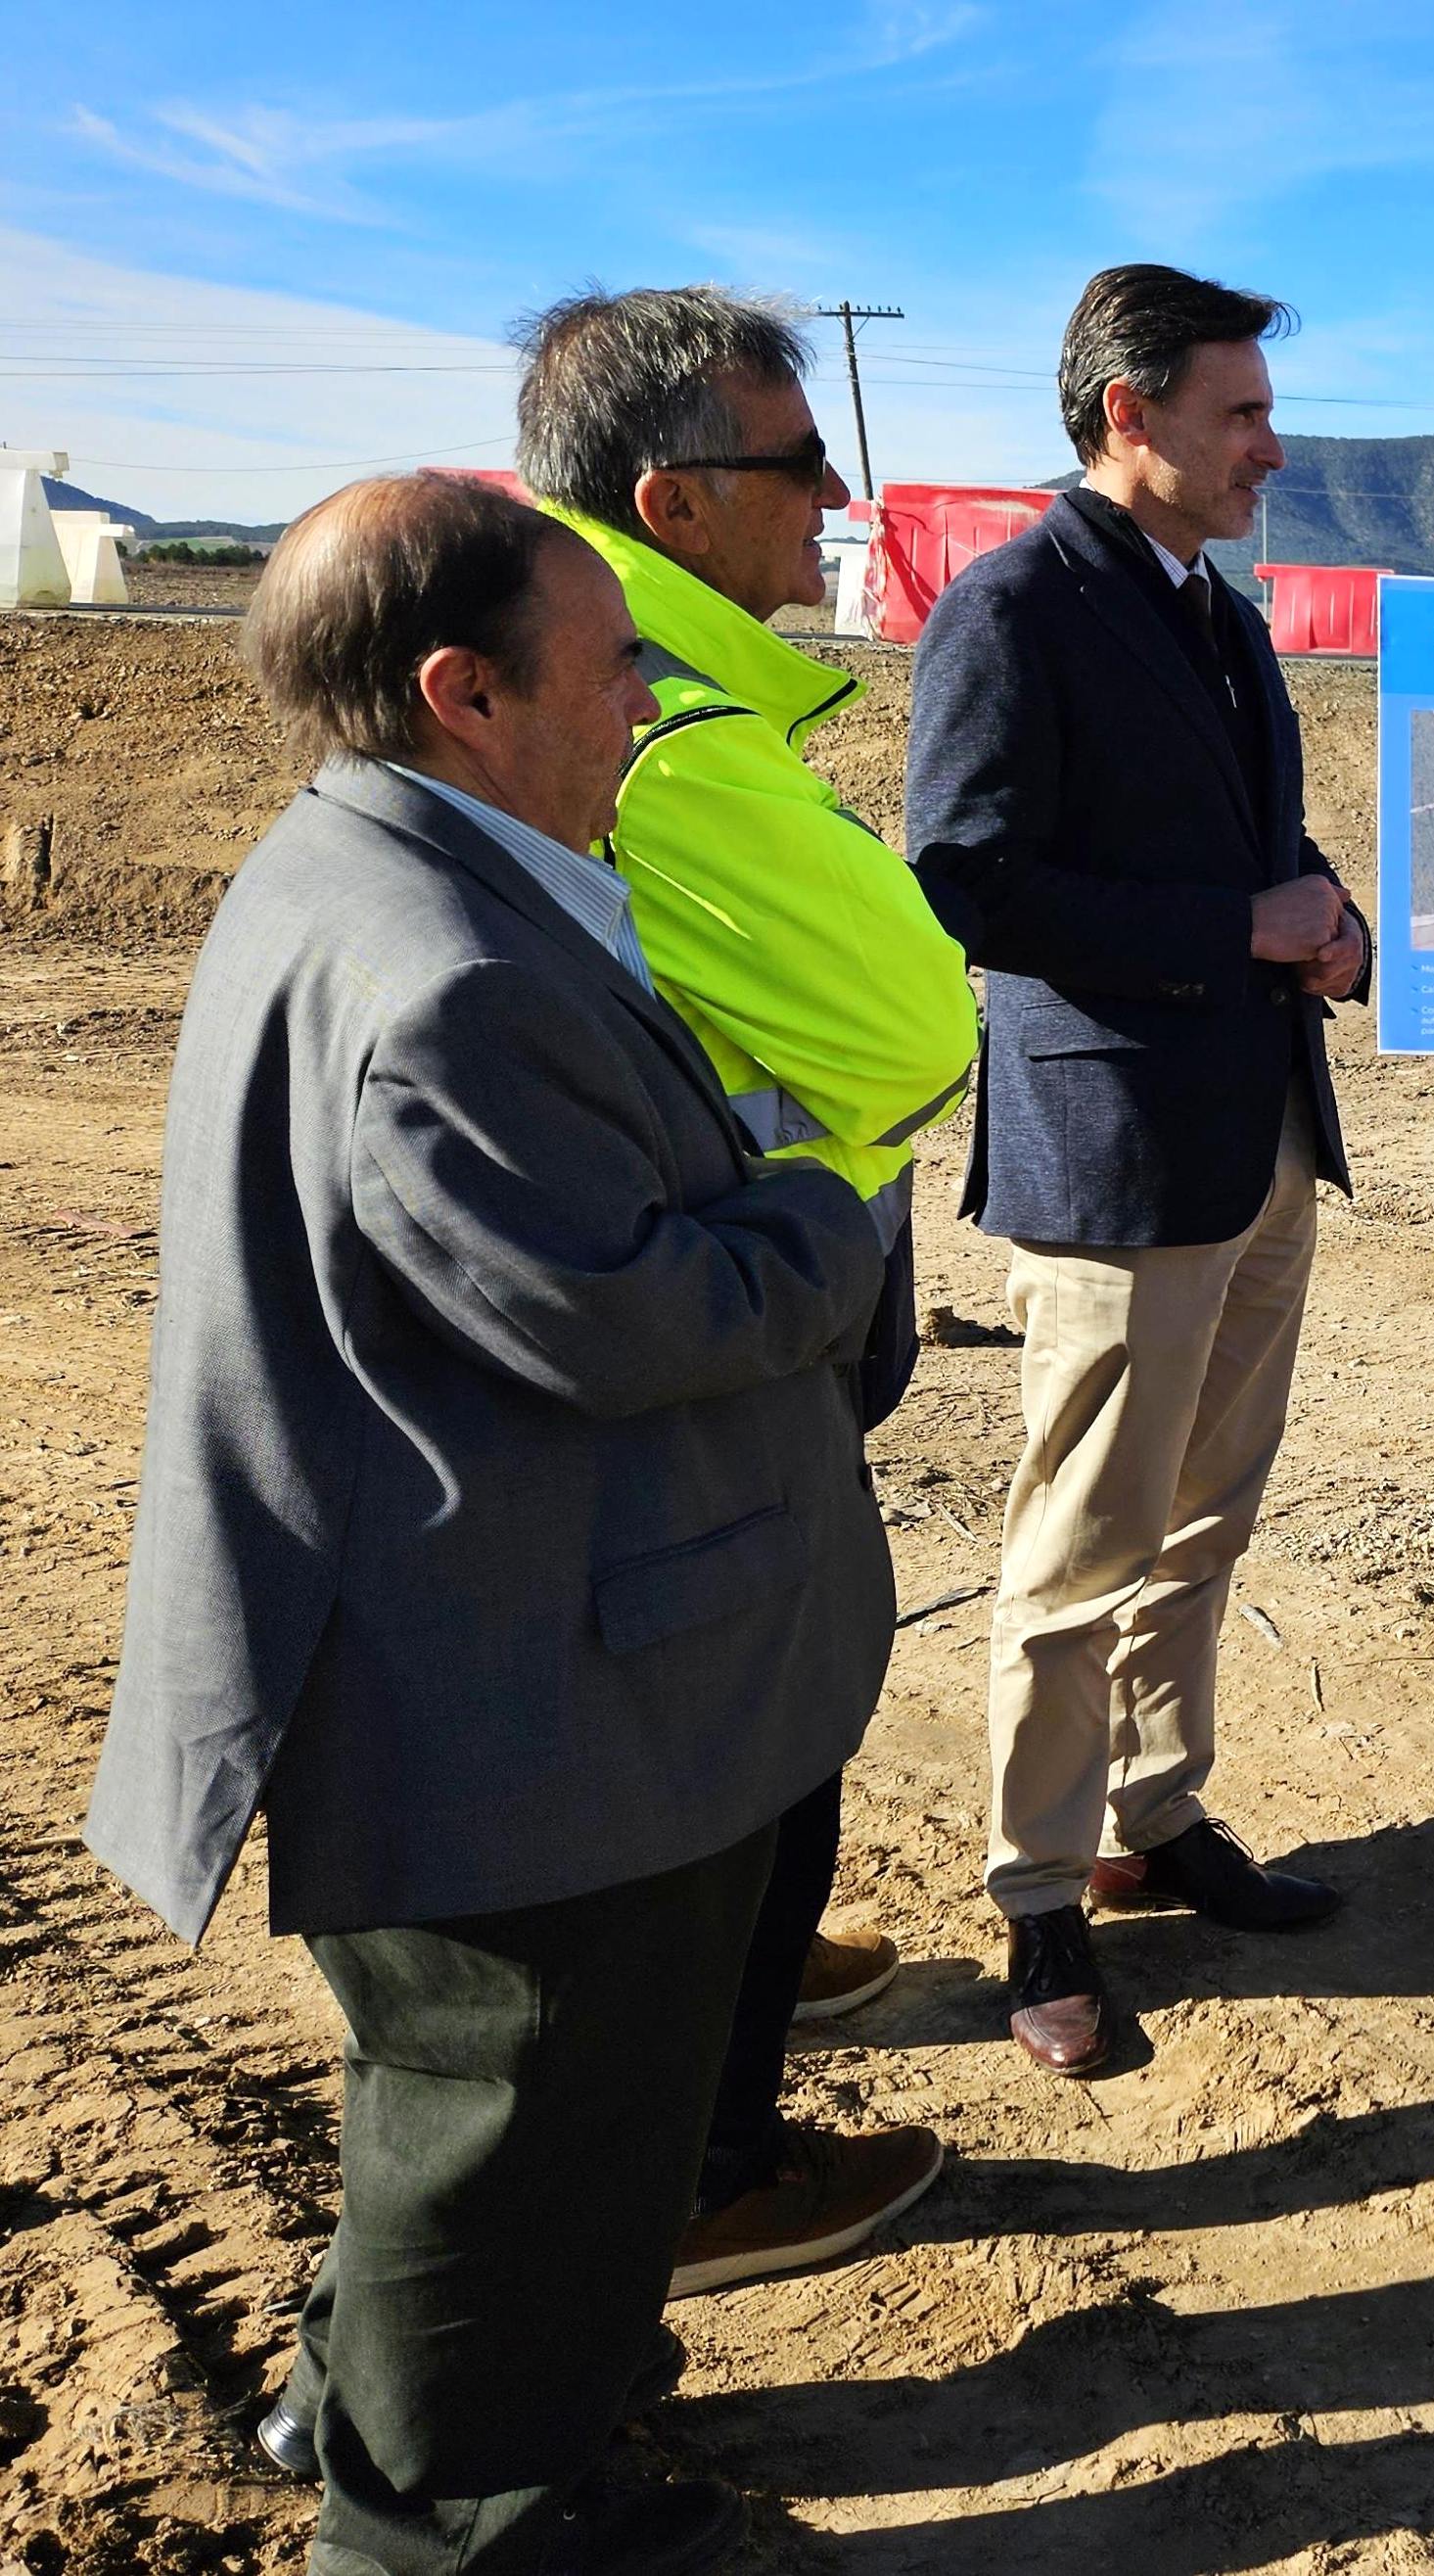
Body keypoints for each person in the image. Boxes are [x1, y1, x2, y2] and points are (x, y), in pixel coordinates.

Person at [82, 475, 897, 2570]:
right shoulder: (448, 974)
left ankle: (417, 2405)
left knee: (516, 2137)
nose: (649, 706)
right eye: (617, 665)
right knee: (523, 2128)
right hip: (527, 1704)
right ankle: (455, 2518)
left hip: (509, 1656)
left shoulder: (382, 861)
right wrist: (834, 1198)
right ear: (467, 690)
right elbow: (626, 1311)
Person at [511, 282, 972, 2300]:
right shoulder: (667, 736)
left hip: (711, 1286)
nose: (837, 496)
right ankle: (707, 2164)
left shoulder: (610, 691)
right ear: (674, 501)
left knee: (748, 1707)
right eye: (800, 461)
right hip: (743, 1296)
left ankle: (746, 2002)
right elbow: (910, 1028)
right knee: (738, 1709)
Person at [909, 264, 1370, 2079]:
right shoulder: (1015, 607)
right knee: (1083, 1535)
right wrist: (1233, 929)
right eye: (1241, 413)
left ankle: (1155, 1811)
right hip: (1117, 1155)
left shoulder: (1219, 616)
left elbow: (1261, 844)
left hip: (1258, 1131)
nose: (1272, 448)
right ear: (1130, 412)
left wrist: (1328, 925)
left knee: (1204, 1513)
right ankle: (1036, 1892)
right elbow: (967, 877)